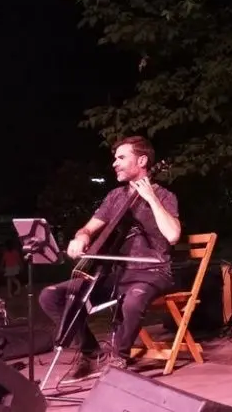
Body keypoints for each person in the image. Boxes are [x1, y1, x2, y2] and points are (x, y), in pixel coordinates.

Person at [38, 136, 181, 379]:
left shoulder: (165, 196)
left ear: (142, 160)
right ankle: (91, 352)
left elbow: (173, 235)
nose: (115, 163)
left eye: (121, 158)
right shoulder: (115, 197)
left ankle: (119, 357)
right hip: (118, 275)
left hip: (153, 272)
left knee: (133, 300)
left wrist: (151, 198)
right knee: (50, 296)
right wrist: (81, 237)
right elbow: (88, 228)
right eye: (115, 158)